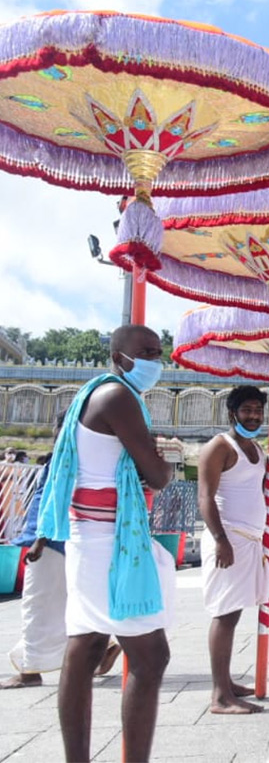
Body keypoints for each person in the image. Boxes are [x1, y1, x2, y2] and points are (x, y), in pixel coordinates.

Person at [36, 324, 176, 762]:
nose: (155, 360)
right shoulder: (117, 396)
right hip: (107, 542)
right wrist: (163, 457)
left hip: (92, 536)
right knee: (150, 658)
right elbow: (158, 475)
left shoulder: (98, 393)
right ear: (118, 357)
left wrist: (151, 455)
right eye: (145, 352)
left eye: (158, 352)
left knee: (88, 646)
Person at [3, 418, 120, 690]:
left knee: (38, 605)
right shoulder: (91, 456)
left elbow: (54, 498)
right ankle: (104, 647)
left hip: (50, 541)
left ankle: (29, 670)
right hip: (78, 540)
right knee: (72, 602)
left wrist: (39, 541)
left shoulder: (64, 455)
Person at [198, 386, 269, 714]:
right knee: (226, 613)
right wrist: (220, 539)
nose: (254, 416)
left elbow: (265, 489)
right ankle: (220, 695)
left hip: (250, 540)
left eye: (258, 411)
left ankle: (227, 682)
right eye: (247, 410)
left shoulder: (257, 448)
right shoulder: (218, 446)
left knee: (235, 613)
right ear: (232, 413)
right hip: (228, 539)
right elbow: (205, 497)